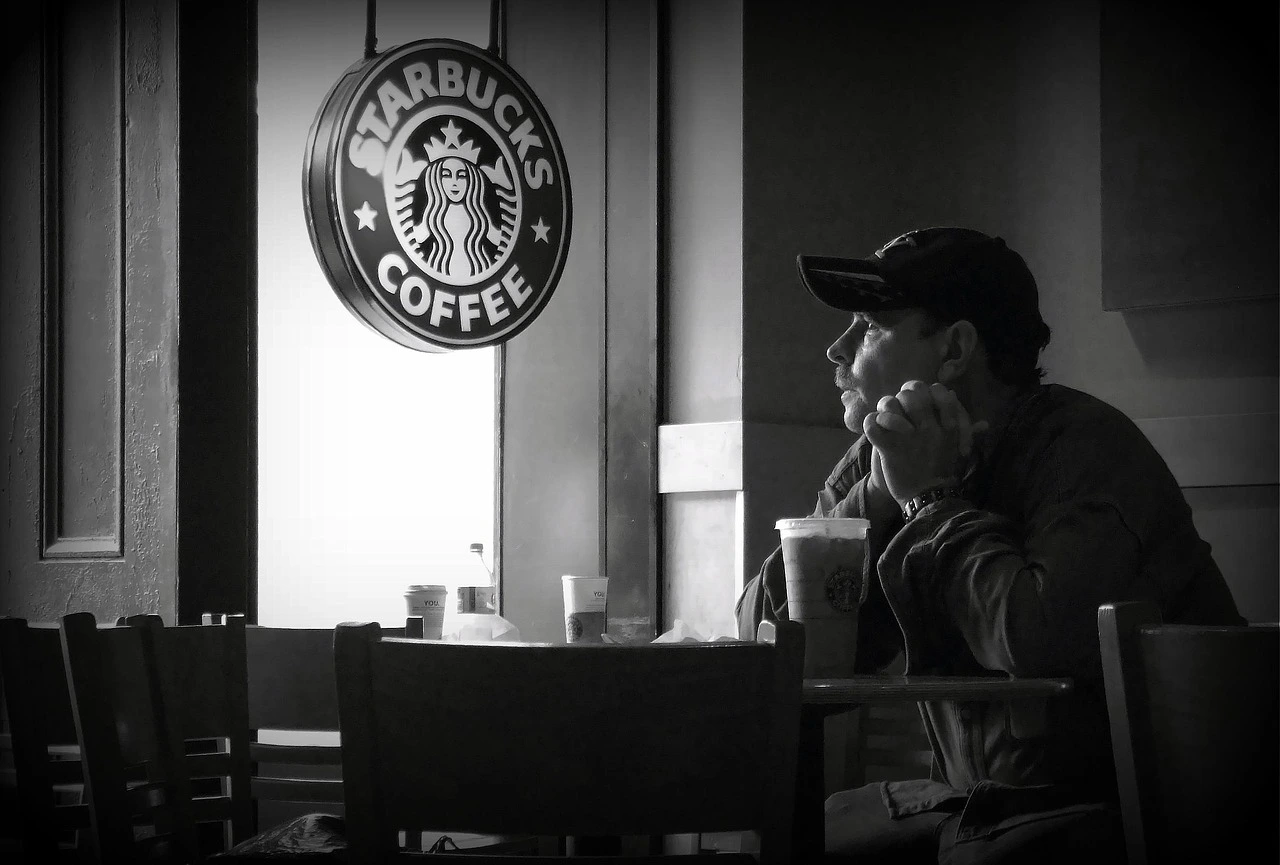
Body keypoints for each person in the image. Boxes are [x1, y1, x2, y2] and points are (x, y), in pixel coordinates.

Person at [735, 226, 1244, 864]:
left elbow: (1039, 639)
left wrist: (932, 501)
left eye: (868, 326)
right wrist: (887, 495)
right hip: (978, 806)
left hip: (1135, 812)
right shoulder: (880, 458)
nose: (834, 350)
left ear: (954, 349)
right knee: (801, 840)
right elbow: (761, 646)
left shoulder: (1085, 448)